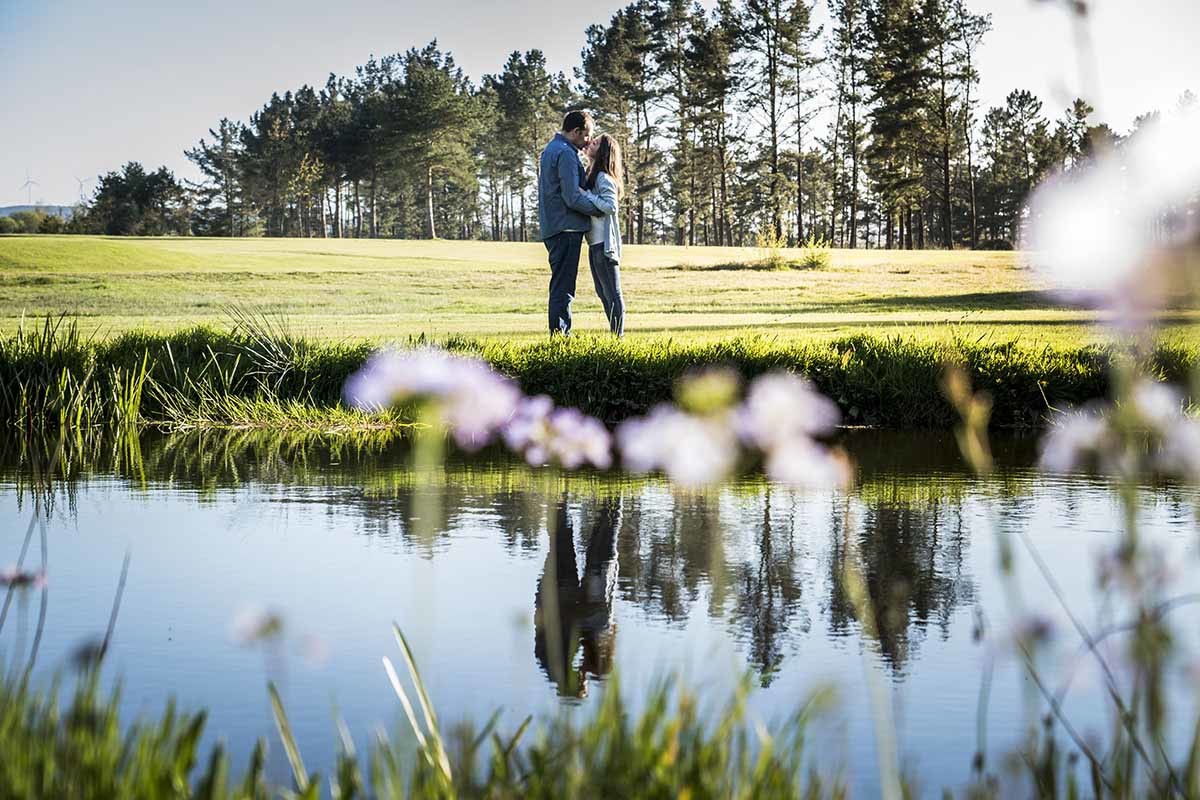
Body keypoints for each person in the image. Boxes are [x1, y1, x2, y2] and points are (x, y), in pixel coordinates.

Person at [537, 110, 602, 336]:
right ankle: (561, 338)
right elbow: (572, 196)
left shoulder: (550, 149)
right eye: (587, 135)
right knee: (563, 288)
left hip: (554, 226)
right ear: (576, 131)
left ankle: (560, 336)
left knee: (560, 284)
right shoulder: (565, 153)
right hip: (566, 227)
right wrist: (599, 209)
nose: (588, 141)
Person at [582, 134, 625, 336]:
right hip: (594, 244)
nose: (591, 143)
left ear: (603, 153)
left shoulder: (603, 178)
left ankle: (618, 337)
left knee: (612, 293)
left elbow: (610, 207)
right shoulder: (593, 175)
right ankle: (614, 334)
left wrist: (587, 196)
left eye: (596, 143)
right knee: (603, 293)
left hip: (604, 245)